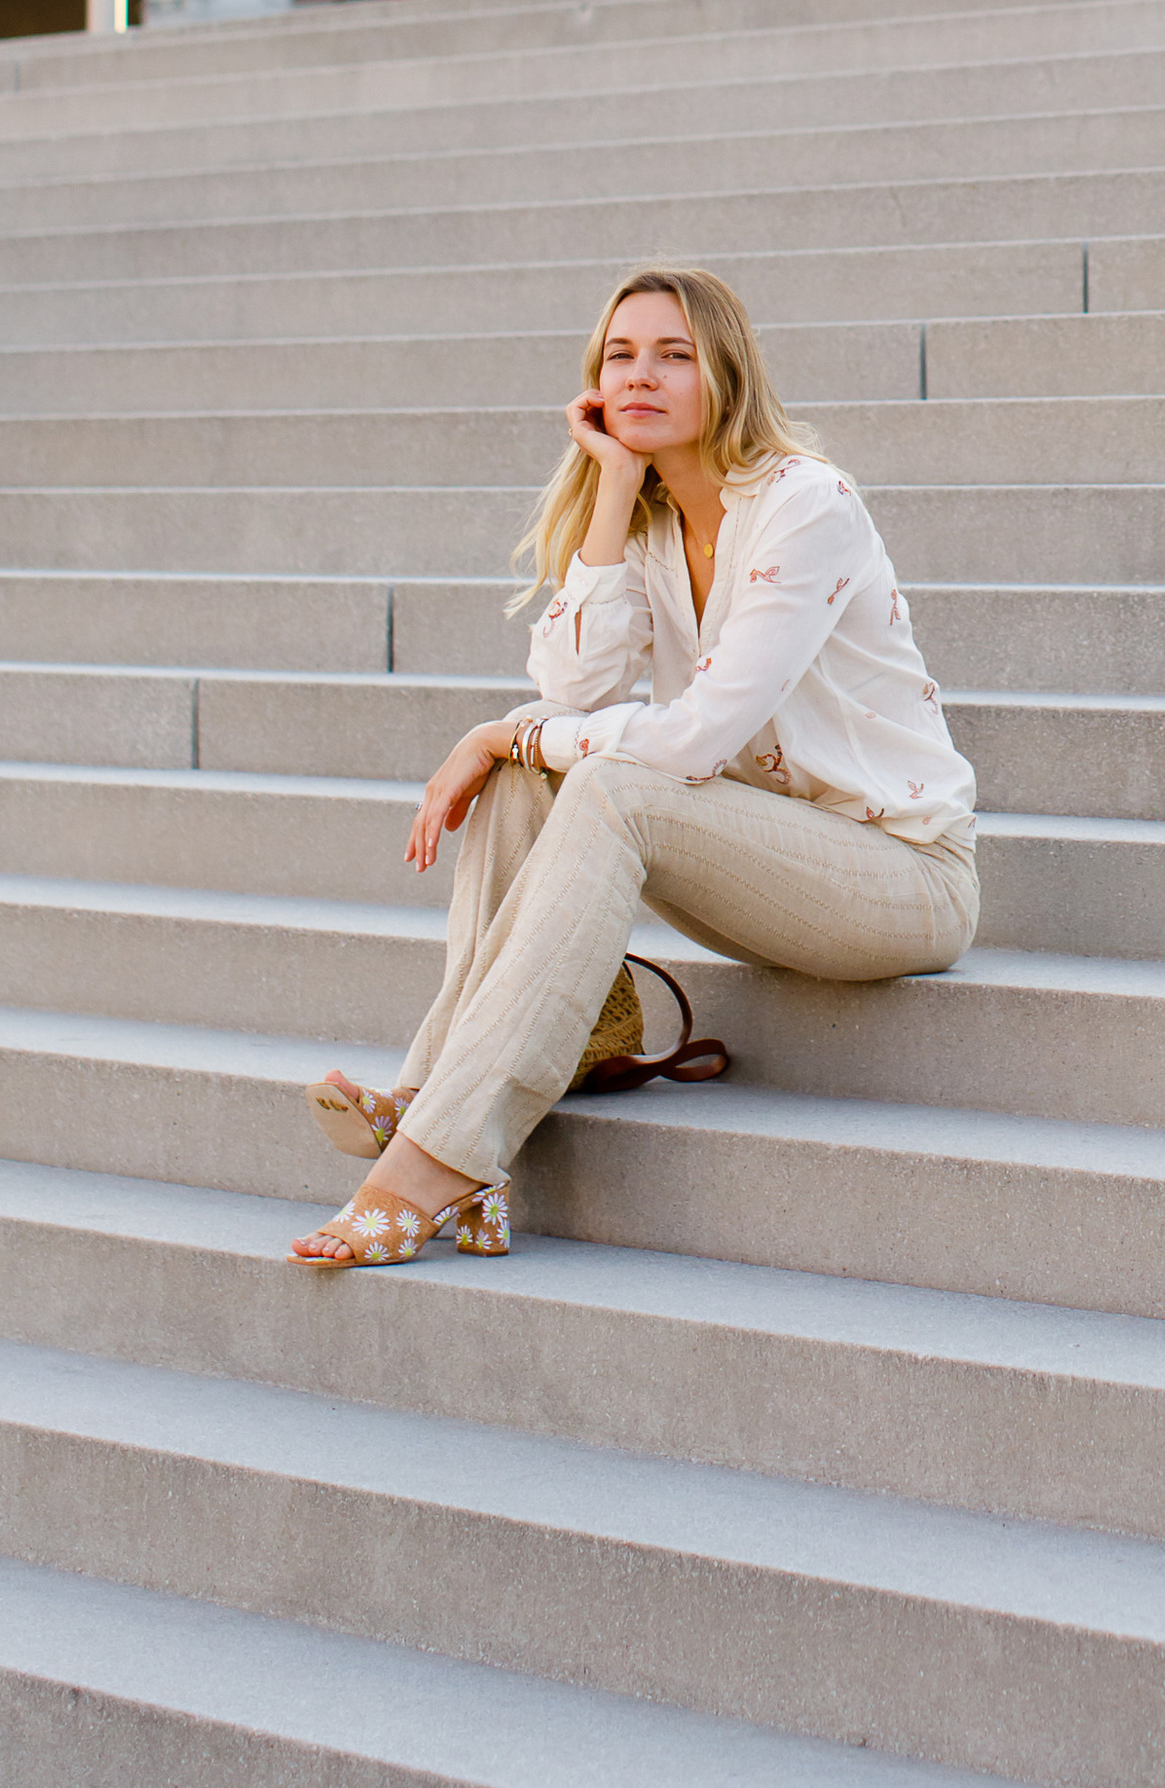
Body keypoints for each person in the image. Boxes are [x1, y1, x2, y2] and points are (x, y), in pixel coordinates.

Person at [291, 261, 977, 1269]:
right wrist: (612, 488)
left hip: (900, 876)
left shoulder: (806, 506)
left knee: (580, 771)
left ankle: (439, 1161)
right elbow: (572, 690)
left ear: (725, 377)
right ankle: (431, 1096)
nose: (639, 376)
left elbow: (689, 738)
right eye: (619, 356)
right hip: (759, 851)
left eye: (672, 355)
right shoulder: (652, 520)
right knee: (539, 770)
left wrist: (504, 733)